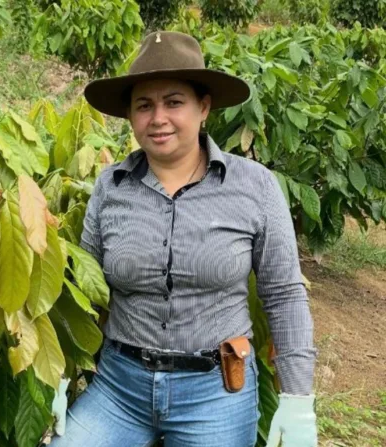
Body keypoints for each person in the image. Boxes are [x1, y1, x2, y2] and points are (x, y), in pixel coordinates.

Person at [48, 31, 317, 447]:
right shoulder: (110, 187)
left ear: (203, 107)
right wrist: (59, 372)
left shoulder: (254, 187)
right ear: (130, 116)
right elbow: (87, 293)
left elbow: (283, 294)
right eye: (144, 105)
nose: (158, 118)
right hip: (120, 389)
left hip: (216, 392)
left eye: (174, 102)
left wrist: (298, 397)